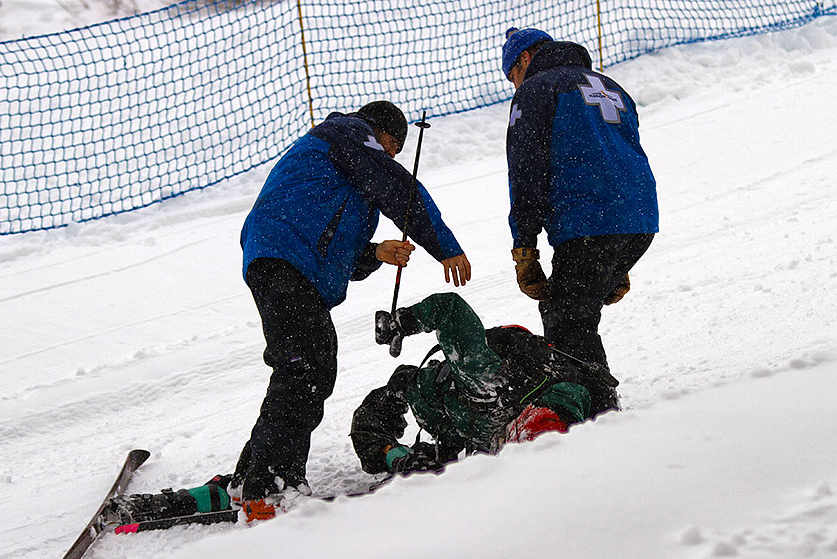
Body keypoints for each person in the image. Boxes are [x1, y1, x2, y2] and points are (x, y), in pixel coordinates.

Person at [235, 101, 472, 521]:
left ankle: (250, 478)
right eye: (393, 147)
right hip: (285, 259)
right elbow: (399, 189)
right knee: (308, 368)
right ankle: (270, 486)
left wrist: (377, 252)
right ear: (381, 132)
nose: (392, 157)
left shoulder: (342, 159)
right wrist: (445, 247)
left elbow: (334, 246)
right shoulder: (350, 134)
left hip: (284, 258)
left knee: (302, 366)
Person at [501, 28, 659, 410]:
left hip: (588, 221)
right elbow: (621, 152)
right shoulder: (612, 87)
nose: (515, 86)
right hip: (638, 217)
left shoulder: (536, 89)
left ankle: (597, 414)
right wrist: (618, 259)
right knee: (574, 308)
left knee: (567, 318)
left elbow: (525, 169)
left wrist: (524, 245)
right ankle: (587, 402)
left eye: (512, 77)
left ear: (524, 59)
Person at [352, 292, 597, 476]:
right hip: (450, 396)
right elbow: (450, 308)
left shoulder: (499, 421)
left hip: (477, 416)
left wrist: (404, 459)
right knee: (397, 392)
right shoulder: (485, 378)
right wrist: (402, 322)